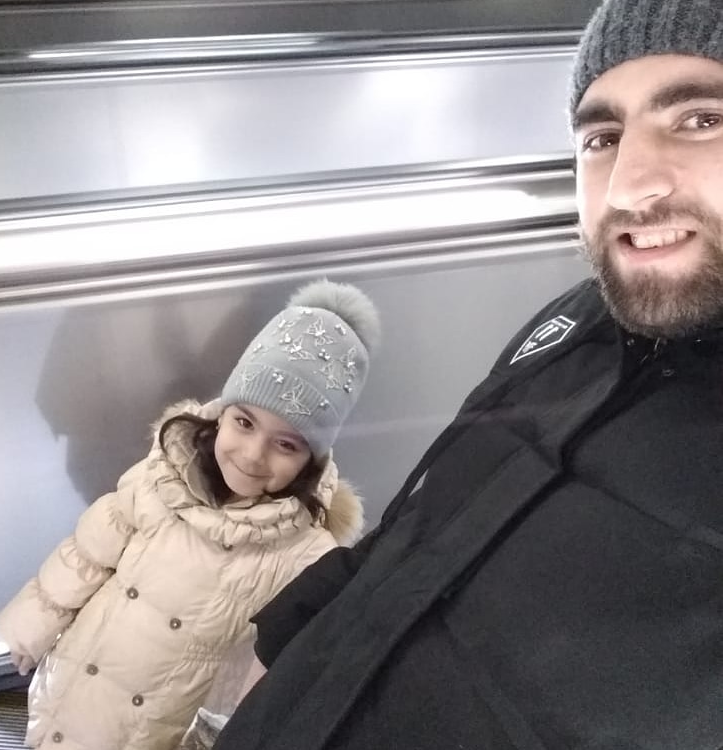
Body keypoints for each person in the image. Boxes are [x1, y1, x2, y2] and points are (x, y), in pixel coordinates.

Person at [210, 1, 723, 748]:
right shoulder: (577, 321)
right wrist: (285, 647)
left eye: (702, 120)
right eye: (603, 138)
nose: (626, 185)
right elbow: (428, 514)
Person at [0, 279, 380, 750]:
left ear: (310, 460)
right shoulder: (163, 476)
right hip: (73, 680)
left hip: (150, 731)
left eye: (285, 444)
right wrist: (31, 629)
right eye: (244, 422)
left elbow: (267, 672)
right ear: (222, 414)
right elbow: (89, 552)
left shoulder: (304, 554)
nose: (252, 455)